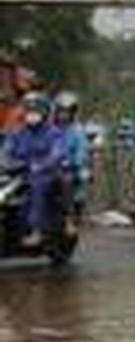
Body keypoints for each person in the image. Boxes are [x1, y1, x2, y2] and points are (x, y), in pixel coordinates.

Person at [5, 92, 69, 246]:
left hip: (46, 175)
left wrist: (43, 164)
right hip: (21, 173)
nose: (31, 114)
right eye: (29, 110)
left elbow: (58, 152)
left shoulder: (53, 133)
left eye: (35, 111)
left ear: (44, 112)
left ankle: (36, 230)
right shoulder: (17, 133)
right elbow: (6, 149)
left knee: (37, 185)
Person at [53, 91, 90, 220]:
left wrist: (75, 161)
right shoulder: (50, 129)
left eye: (67, 112)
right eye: (61, 111)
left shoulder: (77, 131)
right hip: (51, 167)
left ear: (72, 113)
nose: (63, 115)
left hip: (70, 167)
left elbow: (82, 151)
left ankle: (70, 215)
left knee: (78, 177)